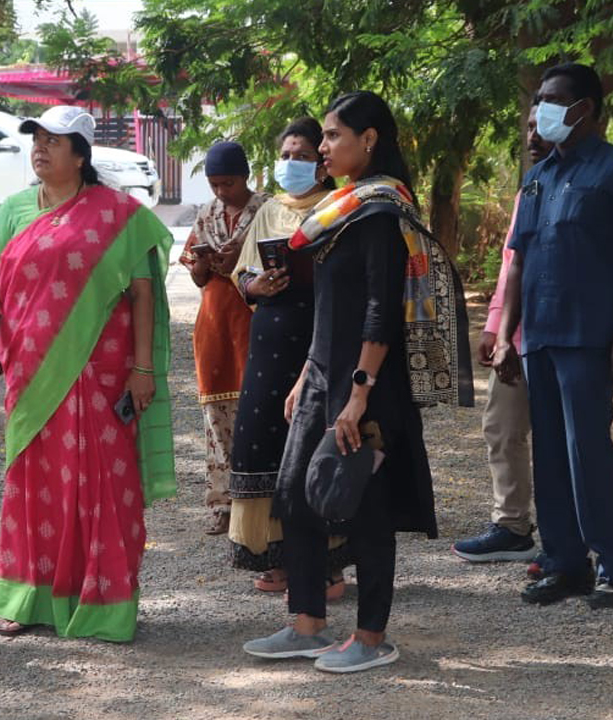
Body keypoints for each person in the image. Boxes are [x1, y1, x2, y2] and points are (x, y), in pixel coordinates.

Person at [243, 91, 470, 674]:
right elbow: (329, 309)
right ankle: (307, 625)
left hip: (366, 386)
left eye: (333, 136)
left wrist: (360, 393)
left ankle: (371, 637)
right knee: (296, 497)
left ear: (369, 140)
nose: (321, 148)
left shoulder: (378, 213)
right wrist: (305, 376)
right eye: (322, 136)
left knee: (365, 509)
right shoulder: (339, 210)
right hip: (322, 375)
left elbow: (378, 310)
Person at [0, 105, 176, 642]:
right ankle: (28, 599)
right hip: (29, 374)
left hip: (101, 376)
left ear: (80, 155)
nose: (40, 148)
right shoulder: (12, 211)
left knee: (104, 486)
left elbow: (142, 293)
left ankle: (105, 605)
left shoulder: (118, 213)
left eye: (53, 141)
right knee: (33, 486)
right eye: (35, 139)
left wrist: (143, 368)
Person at [493, 63, 613, 609]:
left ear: (583, 108)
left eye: (549, 99)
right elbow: (518, 262)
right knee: (550, 452)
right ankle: (566, 563)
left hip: (589, 335)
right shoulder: (538, 176)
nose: (538, 110)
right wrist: (506, 335)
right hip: (538, 334)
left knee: (587, 448)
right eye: (538, 99)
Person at [227, 118, 347, 595]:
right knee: (260, 437)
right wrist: (255, 285)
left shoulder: (340, 207)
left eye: (301, 155)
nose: (291, 164)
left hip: (318, 335)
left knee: (313, 440)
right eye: (285, 154)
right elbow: (243, 273)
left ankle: (328, 563)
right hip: (269, 337)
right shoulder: (270, 210)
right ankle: (273, 556)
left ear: (321, 163)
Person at [452, 101, 553, 566]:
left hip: (563, 339)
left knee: (562, 439)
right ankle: (513, 526)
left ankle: (567, 538)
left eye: (542, 125)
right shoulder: (528, 189)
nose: (532, 135)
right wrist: (496, 328)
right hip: (517, 335)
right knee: (502, 429)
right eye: (528, 126)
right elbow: (512, 267)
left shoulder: (599, 182)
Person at [179, 141, 270, 535]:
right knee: (216, 418)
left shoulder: (268, 210)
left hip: (254, 321)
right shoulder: (207, 214)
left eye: (228, 183)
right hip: (213, 323)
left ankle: (260, 501)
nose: (221, 192)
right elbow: (197, 277)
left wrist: (241, 263)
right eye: (214, 184)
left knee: (257, 412)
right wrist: (203, 262)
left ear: (245, 176)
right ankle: (222, 503)